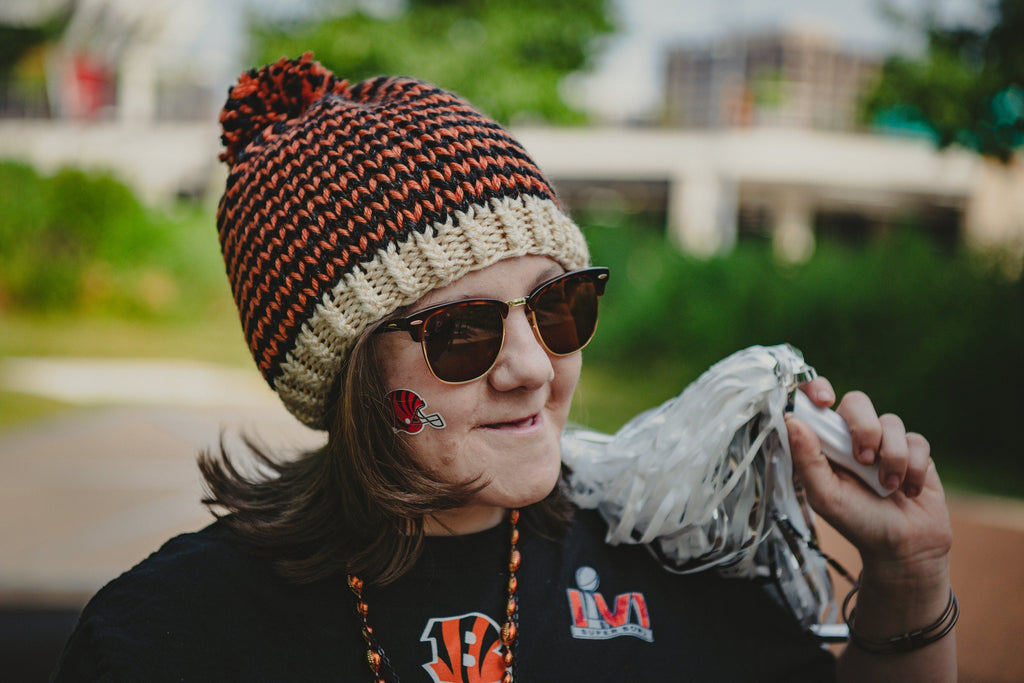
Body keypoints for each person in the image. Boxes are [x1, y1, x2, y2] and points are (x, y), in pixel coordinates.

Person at [51, 54, 955, 682]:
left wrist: (908, 574)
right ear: (345, 376)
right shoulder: (173, 635)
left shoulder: (672, 564)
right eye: (462, 334)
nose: (532, 366)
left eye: (561, 306)